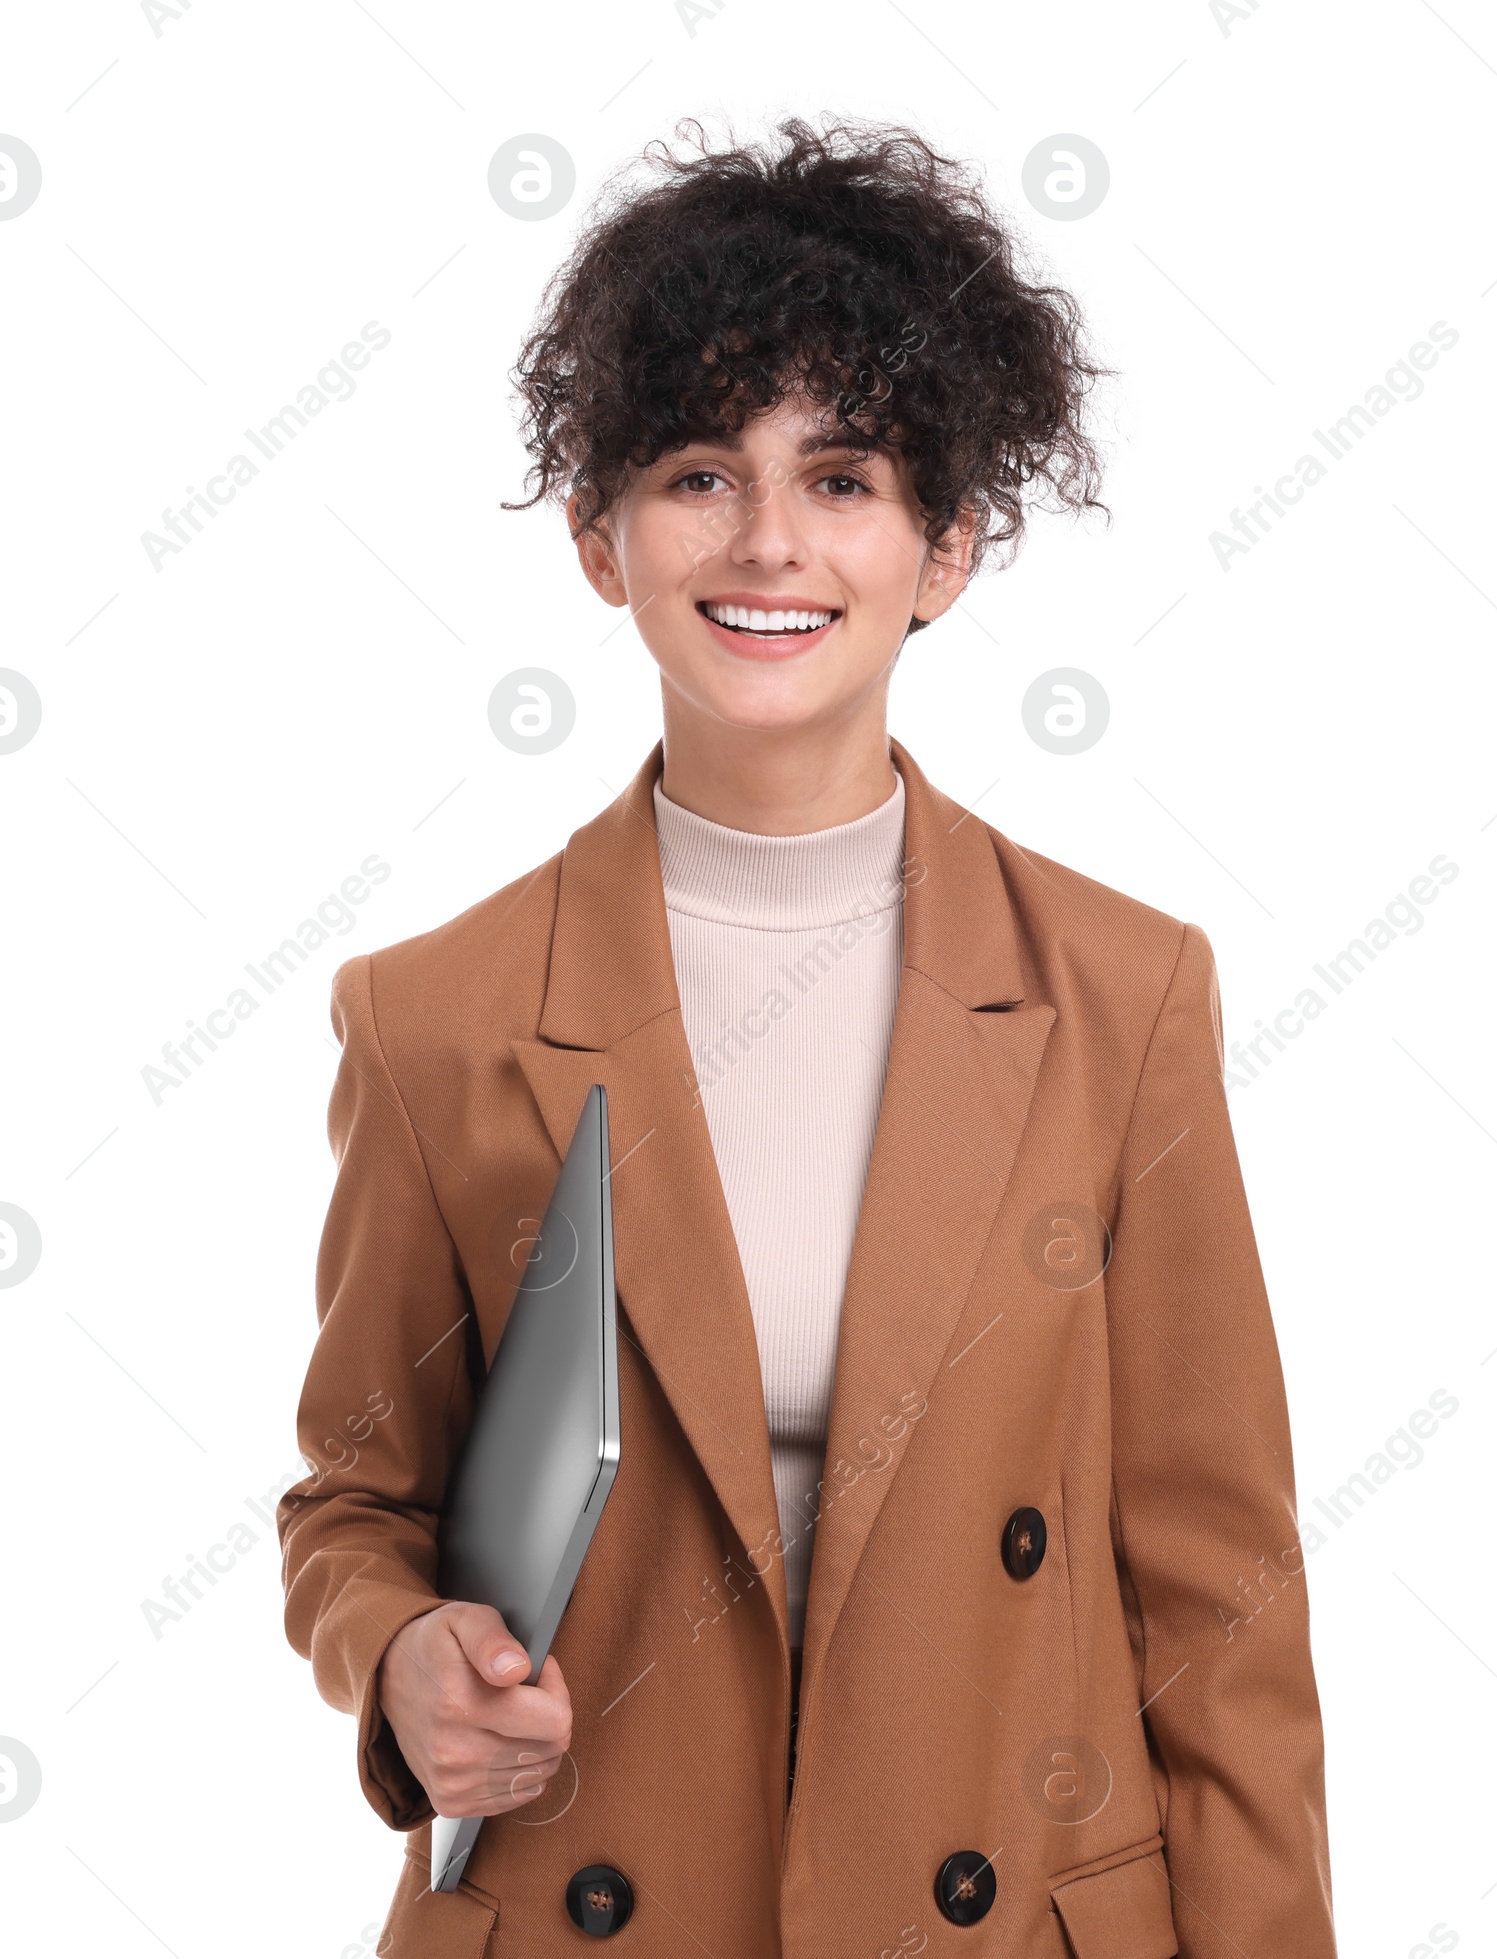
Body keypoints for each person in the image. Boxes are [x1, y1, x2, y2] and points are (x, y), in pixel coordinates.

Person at [278, 115, 1336, 1957]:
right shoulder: (433, 1016)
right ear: (602, 540)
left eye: (844, 478)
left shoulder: (1123, 992)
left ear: (949, 548)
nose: (770, 542)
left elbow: (1220, 1602)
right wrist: (397, 1658)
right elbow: (355, 1498)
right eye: (700, 473)